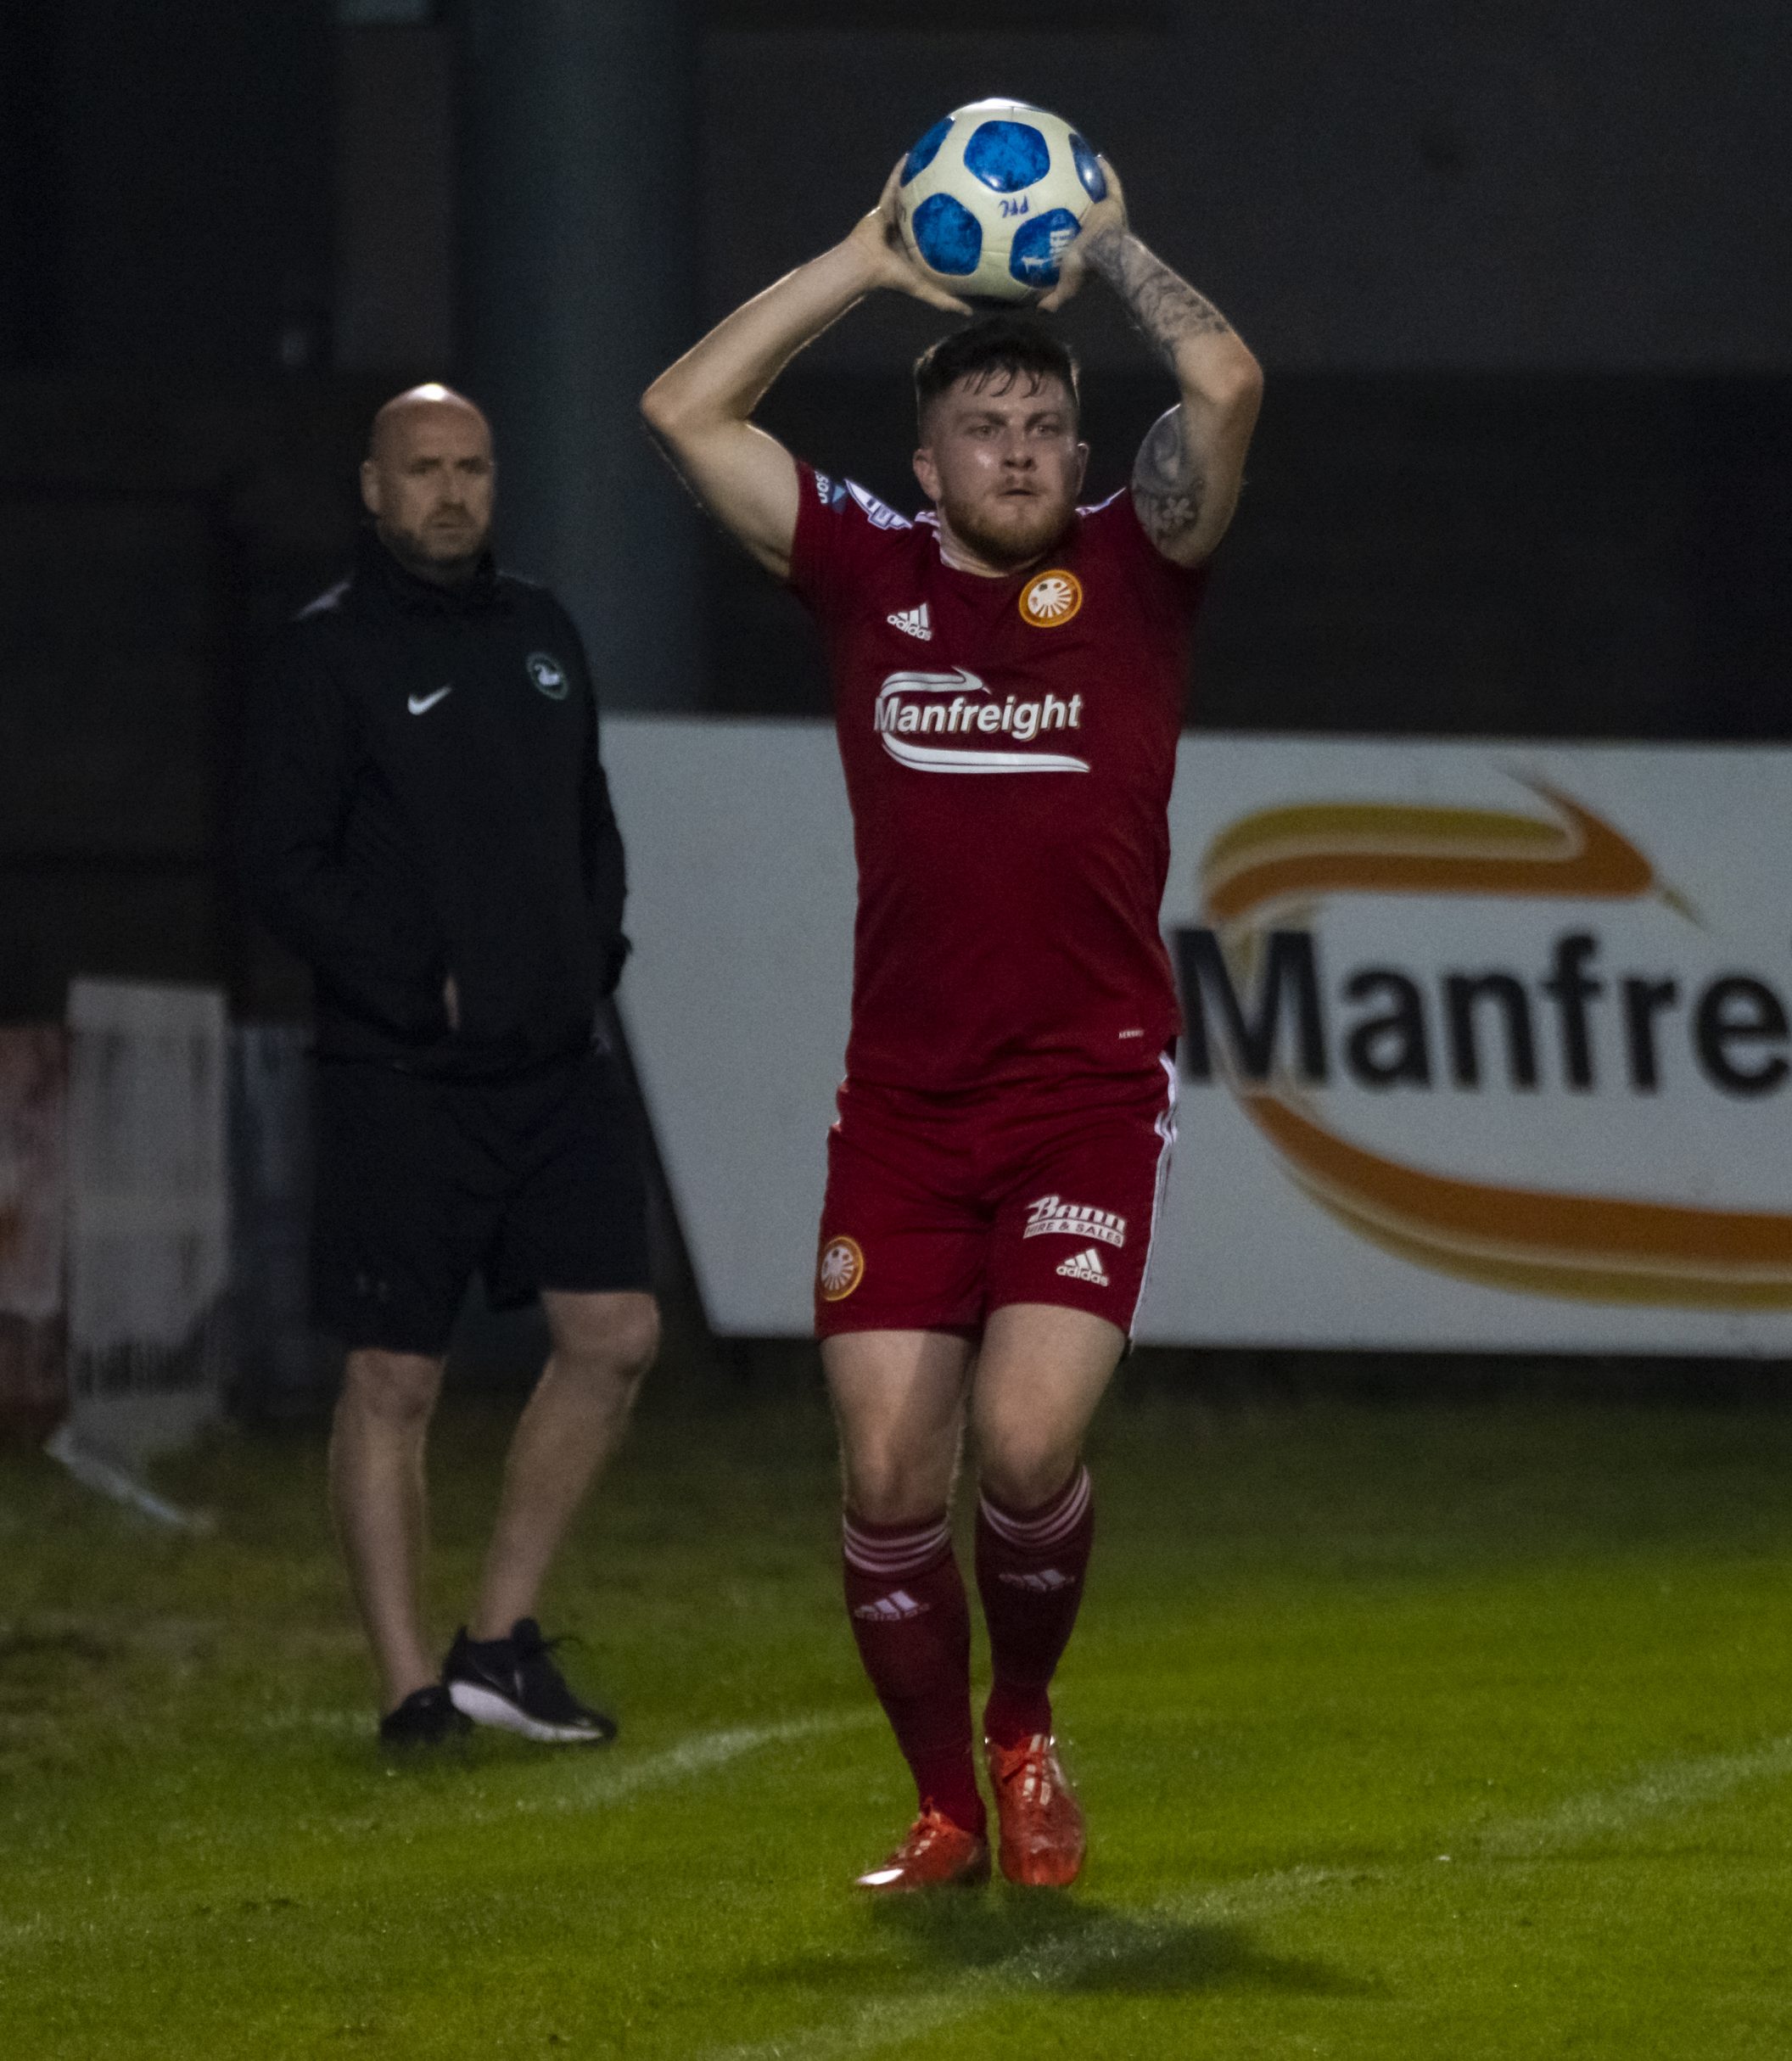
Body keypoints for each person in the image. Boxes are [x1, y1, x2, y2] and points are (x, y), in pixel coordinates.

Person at [641, 162, 1261, 1887]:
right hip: (905, 1111)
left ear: (1080, 451)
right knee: (887, 1469)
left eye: (1042, 426)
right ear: (925, 465)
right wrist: (861, 258)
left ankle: (1024, 1728)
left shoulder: (1138, 566)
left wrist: (1111, 245)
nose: (1016, 450)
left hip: (1083, 1096)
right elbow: (683, 410)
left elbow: (1225, 385)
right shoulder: (864, 569)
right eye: (981, 428)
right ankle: (939, 1808)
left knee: (1028, 1438)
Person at [246, 385, 660, 1751]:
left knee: (616, 1334)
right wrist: (415, 979)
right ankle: (408, 1689)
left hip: (556, 1061)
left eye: (471, 467)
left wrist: (588, 956)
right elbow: (283, 865)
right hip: (400, 1076)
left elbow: (592, 820)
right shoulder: (327, 653)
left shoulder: (542, 629)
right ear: (373, 490)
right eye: (421, 469)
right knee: (394, 1377)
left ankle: (497, 1642)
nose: (449, 492)